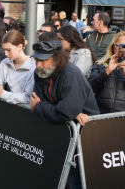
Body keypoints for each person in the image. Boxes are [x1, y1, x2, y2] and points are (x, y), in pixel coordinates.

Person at [30, 40, 100, 189]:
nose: (38, 65)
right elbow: (38, 100)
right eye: (37, 60)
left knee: (73, 179)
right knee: (56, 175)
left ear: (57, 58)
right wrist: (69, 112)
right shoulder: (40, 72)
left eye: (43, 60)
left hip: (82, 134)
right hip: (60, 132)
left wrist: (42, 108)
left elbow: (59, 110)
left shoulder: (71, 73)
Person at [88, 31, 125, 114]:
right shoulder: (100, 64)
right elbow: (89, 89)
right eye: (118, 45)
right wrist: (107, 71)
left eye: (124, 46)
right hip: (101, 116)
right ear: (112, 46)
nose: (120, 49)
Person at [0, 30, 36, 104]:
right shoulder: (4, 62)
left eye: (8, 50)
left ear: (20, 47)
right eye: (4, 50)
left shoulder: (33, 66)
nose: (6, 53)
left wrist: (3, 94)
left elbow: (28, 98)